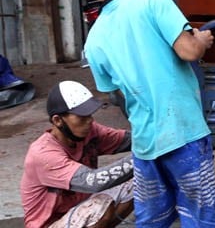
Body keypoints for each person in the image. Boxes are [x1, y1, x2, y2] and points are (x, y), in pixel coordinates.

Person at [78, 0, 215, 227]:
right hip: (184, 132)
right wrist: (201, 39)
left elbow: (112, 91)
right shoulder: (153, 0)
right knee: (199, 218)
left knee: (152, 220)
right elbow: (189, 51)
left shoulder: (93, 40)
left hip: (145, 144)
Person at [20, 80, 134, 228]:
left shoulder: (90, 131)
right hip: (51, 224)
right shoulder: (42, 154)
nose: (90, 121)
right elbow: (93, 181)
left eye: (90, 115)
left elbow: (130, 140)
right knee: (97, 208)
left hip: (78, 211)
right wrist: (141, 158)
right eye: (82, 117)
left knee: (143, 179)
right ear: (58, 120)